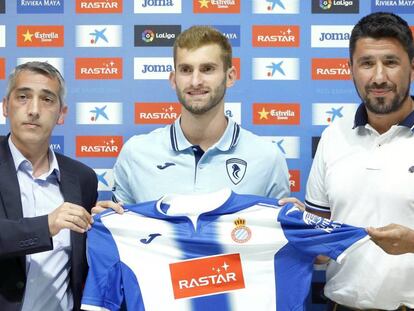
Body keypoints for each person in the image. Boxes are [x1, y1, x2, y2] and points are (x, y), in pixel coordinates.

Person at [95, 26, 289, 212]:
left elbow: (278, 238)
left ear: (230, 77)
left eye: (207, 69)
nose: (196, 81)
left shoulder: (267, 157)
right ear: (173, 79)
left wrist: (296, 224)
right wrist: (105, 220)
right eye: (186, 70)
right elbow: (122, 235)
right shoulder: (136, 153)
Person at [302, 12, 414, 310]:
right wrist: (297, 226)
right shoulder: (333, 137)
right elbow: (320, 246)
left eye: (391, 62)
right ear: (350, 69)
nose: (378, 77)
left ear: (412, 68)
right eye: (367, 64)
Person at [0, 61, 97, 311]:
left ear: (61, 114)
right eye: (23, 97)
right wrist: (47, 225)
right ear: (5, 107)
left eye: (47, 100)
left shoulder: (83, 178)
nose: (33, 110)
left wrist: (102, 223)